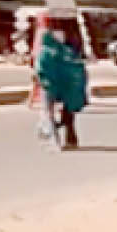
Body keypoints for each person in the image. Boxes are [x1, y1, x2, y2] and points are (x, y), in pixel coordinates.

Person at [34, 18, 88, 150]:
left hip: (54, 76)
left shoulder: (48, 37)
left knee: (50, 108)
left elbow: (40, 60)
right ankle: (65, 135)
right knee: (62, 108)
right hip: (63, 76)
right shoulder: (70, 34)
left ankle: (56, 137)